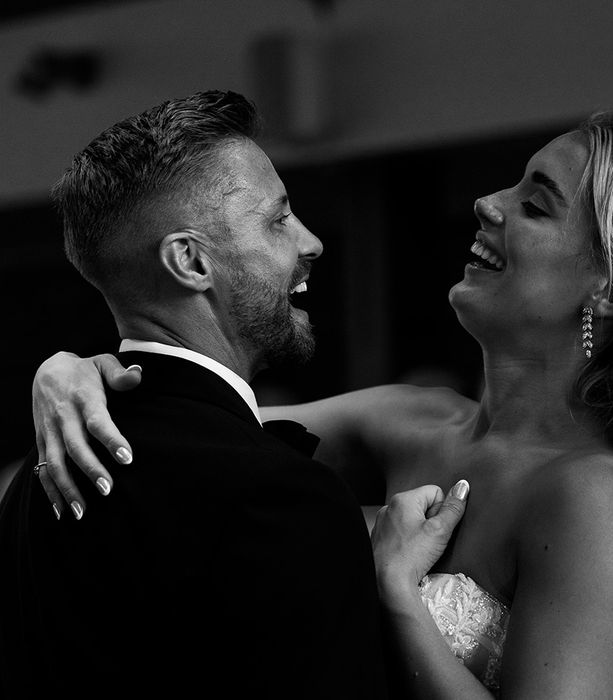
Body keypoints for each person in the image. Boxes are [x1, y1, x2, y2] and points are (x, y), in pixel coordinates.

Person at [30, 116, 613, 699]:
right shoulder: (408, 419)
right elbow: (202, 434)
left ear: (609, 289)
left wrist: (397, 593)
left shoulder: (593, 500)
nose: (488, 202)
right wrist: (69, 372)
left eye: (535, 204)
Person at [0, 90, 397, 699]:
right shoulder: (279, 495)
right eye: (278, 219)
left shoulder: (38, 478)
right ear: (190, 261)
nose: (311, 241)